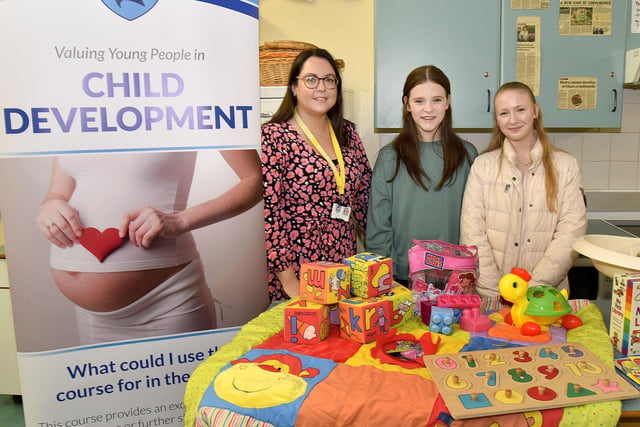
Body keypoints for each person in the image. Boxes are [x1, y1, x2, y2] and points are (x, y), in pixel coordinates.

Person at [36, 149, 262, 344]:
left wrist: (181, 220)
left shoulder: (189, 103)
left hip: (167, 303)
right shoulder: (71, 112)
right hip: (90, 317)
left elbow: (254, 179)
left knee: (182, 394)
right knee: (108, 393)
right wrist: (49, 205)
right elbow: (58, 192)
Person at [261, 48, 372, 301]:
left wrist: (378, 260)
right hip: (296, 271)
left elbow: (365, 197)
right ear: (293, 87)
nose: (321, 88)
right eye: (311, 79)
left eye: (329, 80)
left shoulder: (349, 134)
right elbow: (269, 215)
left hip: (343, 267)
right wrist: (290, 282)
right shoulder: (274, 137)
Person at [460, 81, 587, 298]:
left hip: (546, 298)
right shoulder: (483, 166)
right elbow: (472, 232)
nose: (513, 120)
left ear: (535, 111)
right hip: (492, 296)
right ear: (497, 119)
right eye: (504, 113)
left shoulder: (566, 166)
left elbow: (571, 232)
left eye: (520, 110)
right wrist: (496, 291)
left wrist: (535, 289)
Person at [366, 65, 478, 284]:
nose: (428, 109)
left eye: (436, 100)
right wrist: (384, 279)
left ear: (448, 101)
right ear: (406, 104)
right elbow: (378, 226)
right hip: (403, 278)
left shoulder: (467, 155)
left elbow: (478, 222)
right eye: (419, 101)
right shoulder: (390, 157)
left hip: (455, 278)